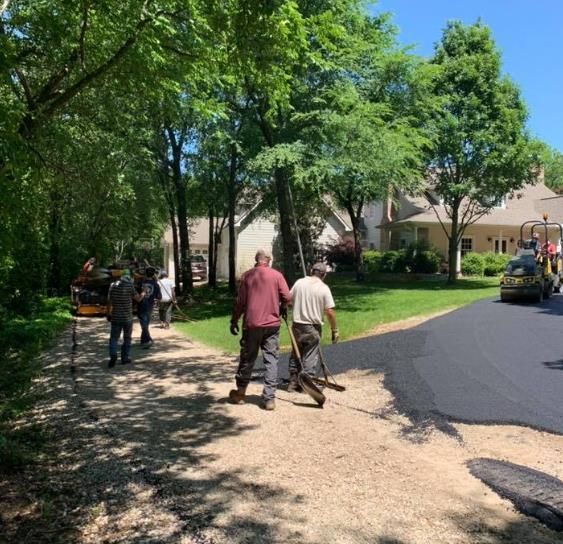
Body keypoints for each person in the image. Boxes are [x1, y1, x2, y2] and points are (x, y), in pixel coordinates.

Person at [229, 249, 291, 411]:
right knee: (271, 360)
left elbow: (240, 302)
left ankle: (241, 393)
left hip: (252, 325)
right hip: (272, 325)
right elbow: (287, 297)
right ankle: (269, 399)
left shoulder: (248, 276)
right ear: (268, 260)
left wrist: (234, 320)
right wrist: (283, 306)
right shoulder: (277, 276)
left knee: (248, 358)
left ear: (256, 260)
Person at [287, 262, 338, 392]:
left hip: (297, 325)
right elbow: (330, 312)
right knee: (310, 355)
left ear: (311, 271)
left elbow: (288, 300)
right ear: (324, 275)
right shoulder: (324, 288)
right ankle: (307, 385)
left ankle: (293, 383)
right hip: (312, 326)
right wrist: (334, 330)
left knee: (296, 353)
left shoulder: (299, 283)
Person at [106, 270, 144, 368]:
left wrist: (108, 313)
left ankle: (113, 355)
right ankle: (124, 358)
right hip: (127, 318)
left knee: (114, 338)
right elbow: (138, 299)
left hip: (115, 317)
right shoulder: (130, 286)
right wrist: (143, 293)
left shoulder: (112, 286)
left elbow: (109, 301)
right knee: (127, 338)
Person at [136, 267, 161, 348]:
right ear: (153, 274)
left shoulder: (140, 283)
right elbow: (159, 297)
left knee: (144, 323)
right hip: (149, 305)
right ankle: (147, 339)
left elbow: (135, 294)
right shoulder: (155, 284)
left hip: (141, 305)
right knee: (145, 323)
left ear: (145, 273)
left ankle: (145, 340)